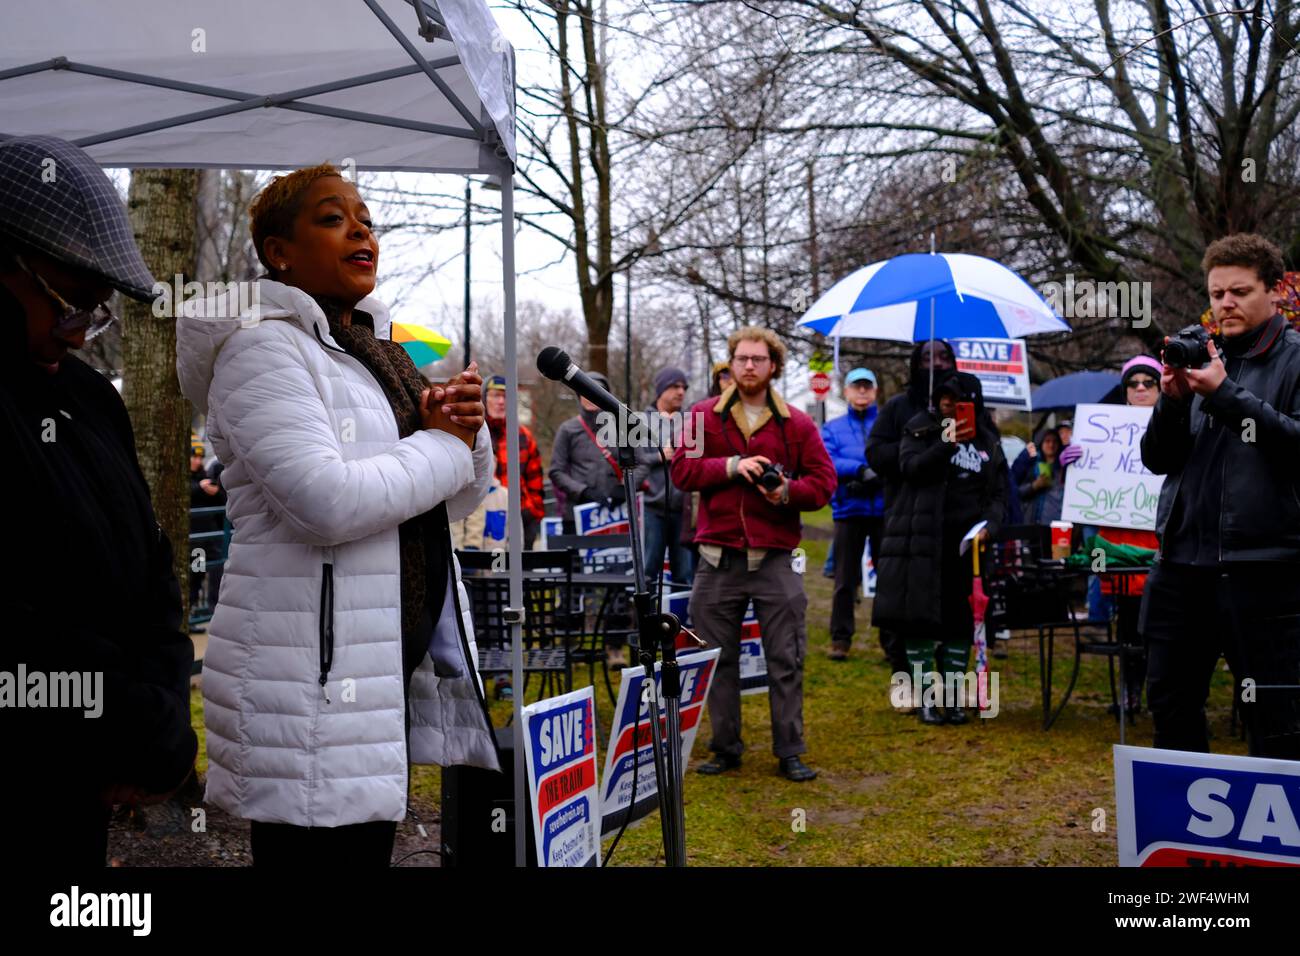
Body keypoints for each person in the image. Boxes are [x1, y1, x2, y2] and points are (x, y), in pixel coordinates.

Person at [176, 163, 498, 866]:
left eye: (366, 219)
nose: (360, 230)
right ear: (278, 250)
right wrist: (444, 446)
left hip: (372, 659)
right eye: (331, 217)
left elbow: (455, 496)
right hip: (309, 678)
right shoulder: (261, 348)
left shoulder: (373, 353)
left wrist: (459, 431)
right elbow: (327, 502)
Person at [0, 135, 198, 867]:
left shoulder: (88, 399)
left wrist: (166, 718)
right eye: (66, 303)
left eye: (96, 312)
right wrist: (130, 723)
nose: (80, 332)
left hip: (82, 800)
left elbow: (152, 571)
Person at [1140, 232, 1300, 759]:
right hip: (1181, 565)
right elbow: (1158, 459)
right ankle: (1184, 837)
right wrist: (1170, 402)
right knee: (1169, 703)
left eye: (1240, 291)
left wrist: (1226, 396)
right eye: (1216, 294)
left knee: (1277, 719)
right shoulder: (1200, 358)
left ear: (1275, 291)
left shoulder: (1293, 359)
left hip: (1264, 568)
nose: (1225, 303)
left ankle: (1279, 839)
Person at [673, 327, 837, 781]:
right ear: (730, 364)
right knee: (716, 660)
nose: (748, 366)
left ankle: (790, 750)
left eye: (757, 359)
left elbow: (824, 484)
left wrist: (786, 492)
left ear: (773, 367)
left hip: (775, 560)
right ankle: (725, 747)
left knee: (786, 657)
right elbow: (682, 471)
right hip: (715, 559)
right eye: (741, 358)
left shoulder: (797, 424)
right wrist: (730, 466)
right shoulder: (702, 415)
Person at [871, 370, 1007, 724]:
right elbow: (910, 468)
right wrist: (945, 442)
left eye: (956, 399)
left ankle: (954, 698)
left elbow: (998, 495)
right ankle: (926, 698)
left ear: (972, 403)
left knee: (959, 622)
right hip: (922, 542)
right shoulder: (921, 427)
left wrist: (990, 526)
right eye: (944, 397)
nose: (948, 404)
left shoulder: (989, 442)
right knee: (920, 620)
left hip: (967, 549)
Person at [549, 371, 644, 667]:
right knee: (573, 583)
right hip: (576, 520)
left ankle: (614, 648)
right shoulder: (568, 429)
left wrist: (623, 488)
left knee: (615, 585)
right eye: (584, 390)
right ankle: (571, 644)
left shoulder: (623, 428)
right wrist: (583, 492)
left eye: (596, 391)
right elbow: (556, 471)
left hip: (613, 522)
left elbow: (642, 465)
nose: (590, 396)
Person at [1087, 355, 1162, 717]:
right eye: (1134, 383)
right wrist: (1077, 460)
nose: (1141, 389)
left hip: (1161, 543)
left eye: (1149, 382)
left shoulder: (1179, 421)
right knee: (1128, 623)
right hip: (1120, 542)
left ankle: (1157, 691)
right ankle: (1131, 690)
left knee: (1160, 625)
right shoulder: (1105, 427)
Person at [822, 368, 894, 665]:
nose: (862, 392)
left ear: (875, 391)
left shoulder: (888, 424)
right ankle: (840, 639)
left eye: (867, 387)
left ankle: (892, 642)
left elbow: (894, 453)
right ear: (847, 392)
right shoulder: (833, 426)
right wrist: (858, 470)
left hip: (883, 511)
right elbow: (827, 457)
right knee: (844, 580)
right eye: (856, 387)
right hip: (849, 510)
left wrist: (878, 473)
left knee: (888, 579)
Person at [639, 365, 694, 588]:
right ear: (660, 390)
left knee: (684, 575)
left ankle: (680, 622)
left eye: (684, 387)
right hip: (654, 509)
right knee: (649, 573)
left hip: (683, 510)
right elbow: (633, 461)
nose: (681, 392)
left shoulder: (691, 422)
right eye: (674, 386)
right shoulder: (640, 422)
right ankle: (647, 621)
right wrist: (659, 457)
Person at [485, 374, 545, 549]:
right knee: (489, 573)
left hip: (521, 516)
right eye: (496, 395)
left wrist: (533, 513)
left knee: (522, 573)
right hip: (484, 518)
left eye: (506, 396)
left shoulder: (523, 436)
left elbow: (536, 480)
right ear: (484, 398)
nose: (501, 401)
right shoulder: (475, 435)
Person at [189, 433, 227, 619]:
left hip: (209, 539)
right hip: (196, 542)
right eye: (193, 456)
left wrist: (215, 491)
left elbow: (222, 501)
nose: (197, 460)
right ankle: (191, 612)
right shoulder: (187, 480)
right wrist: (199, 488)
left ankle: (212, 612)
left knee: (216, 573)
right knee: (195, 576)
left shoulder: (205, 476)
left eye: (199, 457)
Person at [1016, 427, 1066, 524]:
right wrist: (1034, 486)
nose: (1051, 445)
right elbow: (1018, 493)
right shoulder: (1031, 465)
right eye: (1047, 441)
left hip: (1057, 524)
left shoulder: (1064, 468)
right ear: (1041, 443)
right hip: (1033, 522)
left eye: (1055, 441)